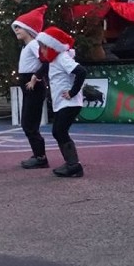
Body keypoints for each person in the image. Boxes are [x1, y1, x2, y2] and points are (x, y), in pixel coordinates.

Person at [35, 27, 86, 178]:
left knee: (59, 131)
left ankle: (74, 165)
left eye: (43, 47)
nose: (41, 51)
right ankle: (71, 164)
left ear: (51, 46)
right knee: (58, 131)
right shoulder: (54, 60)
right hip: (62, 103)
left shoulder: (62, 57)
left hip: (69, 103)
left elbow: (81, 71)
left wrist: (73, 92)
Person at [11, 6, 50, 169]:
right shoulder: (27, 46)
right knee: (28, 123)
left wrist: (36, 77)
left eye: (19, 27)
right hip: (28, 87)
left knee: (29, 123)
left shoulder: (34, 45)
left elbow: (46, 62)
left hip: (34, 87)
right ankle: (38, 154)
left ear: (29, 29)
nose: (16, 30)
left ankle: (41, 157)